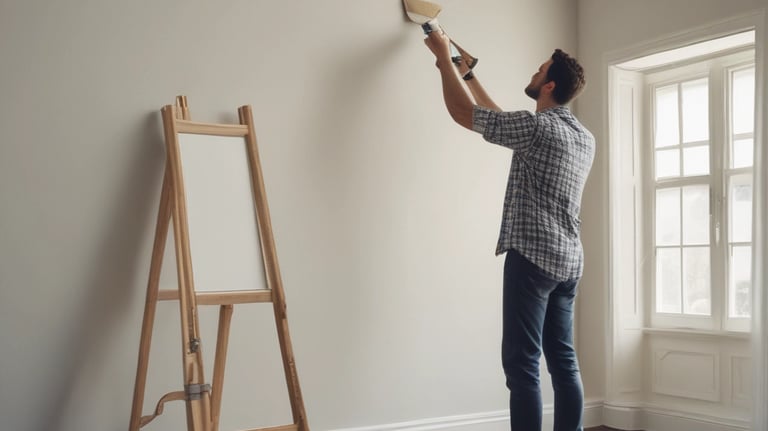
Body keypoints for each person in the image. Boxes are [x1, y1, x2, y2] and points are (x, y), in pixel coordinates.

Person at [424, 30, 595, 431]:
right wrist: (467, 75)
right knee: (564, 363)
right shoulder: (582, 137)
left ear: (548, 85)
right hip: (569, 264)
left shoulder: (537, 130)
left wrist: (443, 61)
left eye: (540, 71)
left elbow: (464, 116)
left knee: (522, 368)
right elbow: (503, 121)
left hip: (533, 260)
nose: (533, 74)